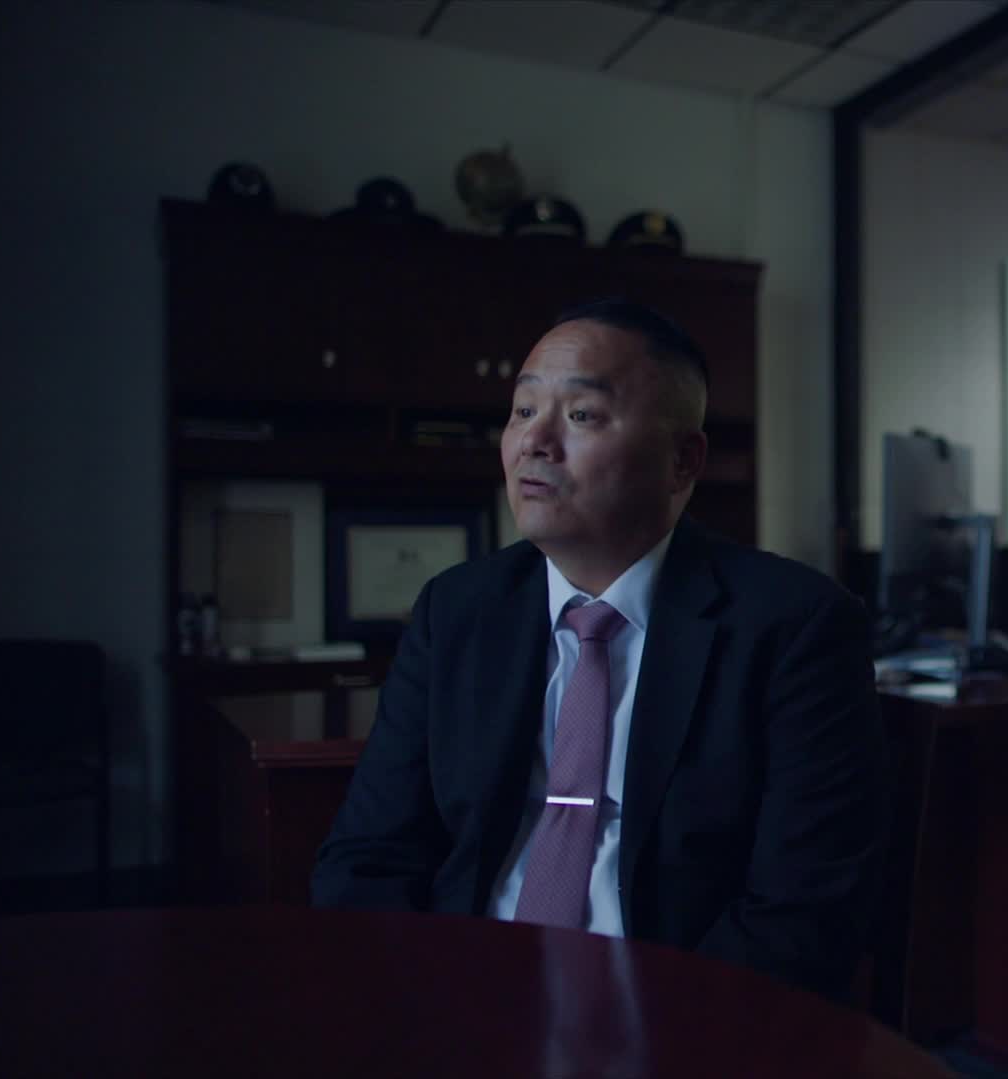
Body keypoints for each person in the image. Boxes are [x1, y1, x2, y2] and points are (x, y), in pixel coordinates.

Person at [313, 298, 888, 1001]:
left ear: (683, 461)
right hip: (466, 990)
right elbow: (369, 856)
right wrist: (422, 1000)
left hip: (673, 1008)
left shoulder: (794, 625)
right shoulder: (458, 611)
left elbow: (803, 911)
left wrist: (649, 1030)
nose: (534, 441)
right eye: (523, 410)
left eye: (581, 415)